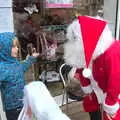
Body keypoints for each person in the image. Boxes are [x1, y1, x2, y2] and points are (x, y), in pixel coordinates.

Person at [64, 16, 120, 120]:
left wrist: (110, 104)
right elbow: (80, 66)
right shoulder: (84, 49)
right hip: (94, 88)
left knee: (111, 115)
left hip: (113, 92)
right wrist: (87, 87)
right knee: (91, 107)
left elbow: (116, 81)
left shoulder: (113, 52)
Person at [0, 32, 39, 120]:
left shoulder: (15, 62)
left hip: (23, 103)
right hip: (12, 109)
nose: (17, 49)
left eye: (17, 46)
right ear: (4, 48)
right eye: (13, 47)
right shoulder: (1, 68)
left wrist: (32, 58)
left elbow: (22, 67)